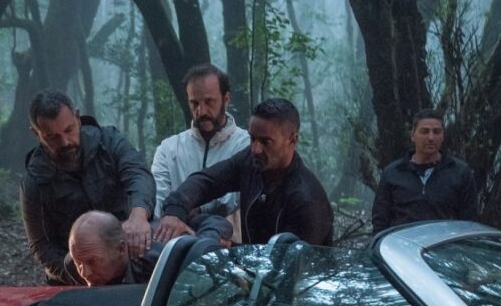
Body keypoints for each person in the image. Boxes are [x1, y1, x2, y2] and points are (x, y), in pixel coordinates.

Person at [155, 98, 333, 247]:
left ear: (292, 140)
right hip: (255, 271)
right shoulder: (251, 161)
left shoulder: (307, 201)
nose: (255, 149)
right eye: (253, 138)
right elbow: (207, 181)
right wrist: (175, 211)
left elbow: (290, 268)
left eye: (266, 142)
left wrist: (233, 250)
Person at [21, 89, 155, 285]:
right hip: (76, 276)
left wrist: (139, 215)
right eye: (52, 137)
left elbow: (138, 175)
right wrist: (86, 271)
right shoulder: (35, 180)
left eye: (69, 130)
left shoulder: (109, 141)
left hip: (131, 256)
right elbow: (41, 246)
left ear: (77, 117)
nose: (65, 142)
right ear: (37, 134)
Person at [152, 64, 250, 219]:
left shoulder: (246, 145)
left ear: (226, 99)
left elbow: (236, 198)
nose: (201, 111)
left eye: (209, 101)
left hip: (226, 232)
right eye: (194, 103)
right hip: (173, 231)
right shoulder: (169, 149)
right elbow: (156, 197)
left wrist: (192, 209)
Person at [371, 109, 478, 235]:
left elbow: (469, 222)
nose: (431, 138)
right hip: (402, 245)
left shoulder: (459, 173)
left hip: (444, 244)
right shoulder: (393, 173)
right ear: (413, 135)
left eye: (436, 132)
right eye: (425, 131)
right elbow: (380, 222)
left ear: (443, 136)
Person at [69, 211, 231, 286]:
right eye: (78, 263)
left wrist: (205, 243)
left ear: (121, 249)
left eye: (93, 262)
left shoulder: (162, 255)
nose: (85, 273)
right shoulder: (76, 260)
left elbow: (216, 221)